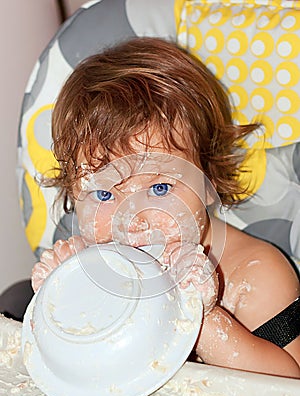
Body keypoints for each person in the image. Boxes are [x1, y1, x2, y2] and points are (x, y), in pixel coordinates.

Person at [32, 37, 300, 378]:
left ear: (208, 181)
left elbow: (289, 388)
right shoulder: (97, 264)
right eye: (104, 195)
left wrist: (203, 318)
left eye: (159, 189)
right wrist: (61, 302)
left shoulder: (255, 275)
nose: (132, 222)